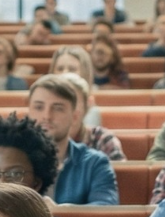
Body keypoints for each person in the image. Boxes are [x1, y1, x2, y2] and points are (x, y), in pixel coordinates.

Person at [28, 75, 118, 206]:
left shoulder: (95, 163)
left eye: (58, 108)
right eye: (39, 107)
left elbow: (105, 211)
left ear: (75, 117)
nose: (46, 116)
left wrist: (59, 212)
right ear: (29, 112)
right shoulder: (13, 159)